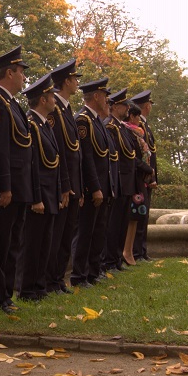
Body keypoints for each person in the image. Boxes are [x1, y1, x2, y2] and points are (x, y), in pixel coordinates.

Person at [0, 46, 36, 312]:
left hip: (19, 185)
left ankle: (5, 294)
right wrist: (3, 186)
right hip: (6, 187)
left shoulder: (11, 103)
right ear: (9, 72)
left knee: (12, 243)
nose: (24, 78)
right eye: (21, 72)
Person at [16, 72, 66, 301]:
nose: (55, 99)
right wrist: (36, 197)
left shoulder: (45, 125)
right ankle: (26, 289)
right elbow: (32, 164)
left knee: (45, 243)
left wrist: (59, 191)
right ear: (43, 99)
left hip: (49, 193)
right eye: (51, 96)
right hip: (39, 194)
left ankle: (39, 286)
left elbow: (54, 162)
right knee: (32, 244)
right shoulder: (31, 124)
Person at [71, 78, 117, 287]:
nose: (108, 100)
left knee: (98, 230)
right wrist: (95, 187)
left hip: (103, 185)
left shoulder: (97, 121)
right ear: (96, 96)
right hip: (92, 187)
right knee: (85, 232)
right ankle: (79, 275)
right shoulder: (83, 120)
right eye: (105, 96)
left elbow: (105, 157)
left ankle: (92, 271)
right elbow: (87, 157)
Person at [45, 59, 82, 294]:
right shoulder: (54, 109)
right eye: (75, 78)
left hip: (72, 182)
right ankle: (51, 280)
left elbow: (74, 150)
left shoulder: (66, 108)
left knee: (66, 234)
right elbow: (58, 150)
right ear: (67, 81)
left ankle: (58, 278)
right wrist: (65, 185)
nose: (78, 82)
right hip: (63, 183)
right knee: (56, 236)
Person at [116, 99, 154, 267]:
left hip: (139, 179)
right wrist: (147, 168)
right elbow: (131, 157)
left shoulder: (137, 133)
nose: (139, 120)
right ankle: (127, 251)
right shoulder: (126, 132)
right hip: (132, 178)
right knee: (131, 216)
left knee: (138, 215)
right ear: (130, 116)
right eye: (137, 116)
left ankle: (130, 250)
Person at [129, 89, 157, 261]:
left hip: (147, 177)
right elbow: (143, 156)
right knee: (140, 216)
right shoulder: (139, 128)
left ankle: (142, 251)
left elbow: (151, 155)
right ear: (147, 106)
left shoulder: (145, 126)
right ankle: (138, 252)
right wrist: (150, 176)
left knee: (144, 215)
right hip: (142, 178)